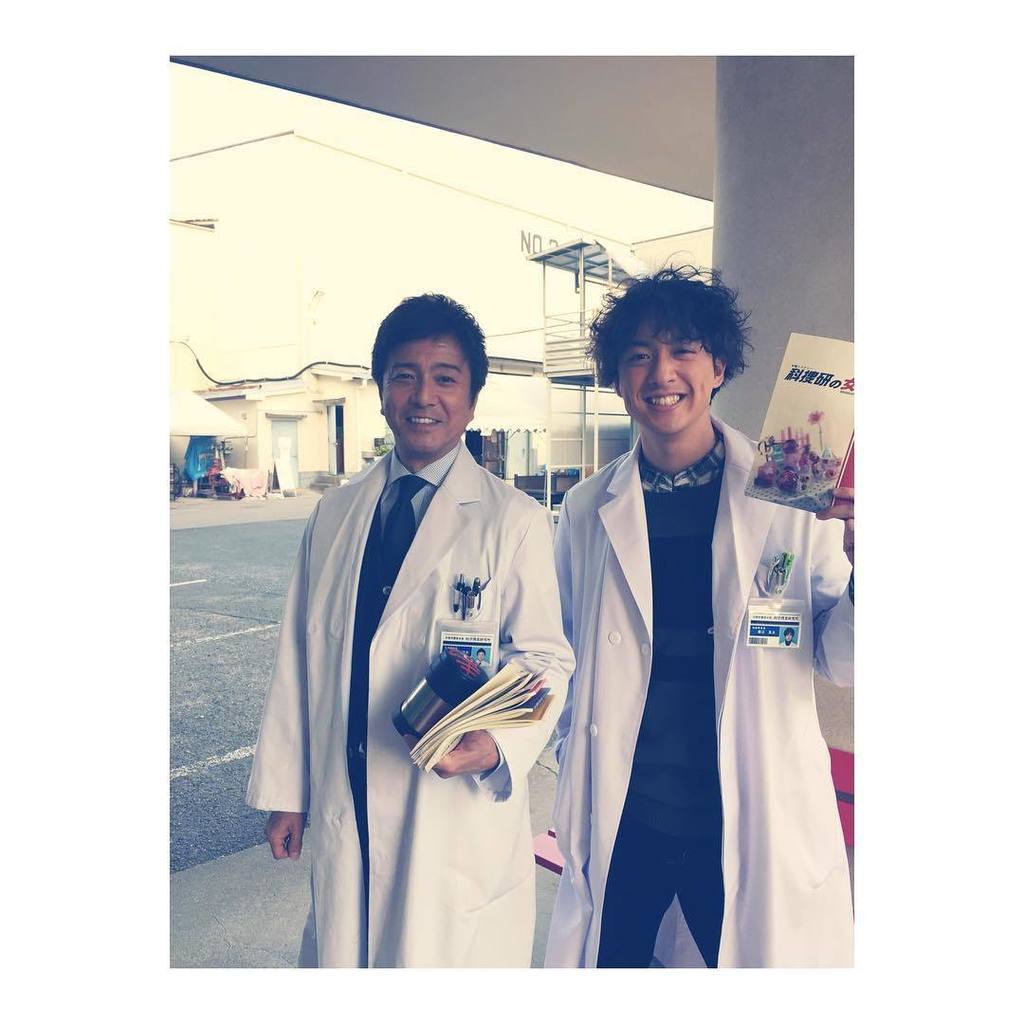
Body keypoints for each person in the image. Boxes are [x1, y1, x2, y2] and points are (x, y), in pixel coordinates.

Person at [247, 293, 574, 967]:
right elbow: (299, 657)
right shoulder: (336, 513)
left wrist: (495, 746)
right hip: (347, 791)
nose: (423, 396)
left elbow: (544, 658)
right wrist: (287, 792)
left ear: (472, 399)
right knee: (349, 945)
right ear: (381, 391)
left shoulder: (512, 519)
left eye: (445, 378)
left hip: (448, 812)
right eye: (404, 375)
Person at [544, 267, 854, 969]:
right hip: (629, 814)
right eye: (639, 355)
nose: (662, 373)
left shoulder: (793, 489)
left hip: (747, 810)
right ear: (617, 379)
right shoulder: (587, 509)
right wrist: (570, 760)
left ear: (718, 367)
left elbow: (841, 660)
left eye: (683, 349)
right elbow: (561, 653)